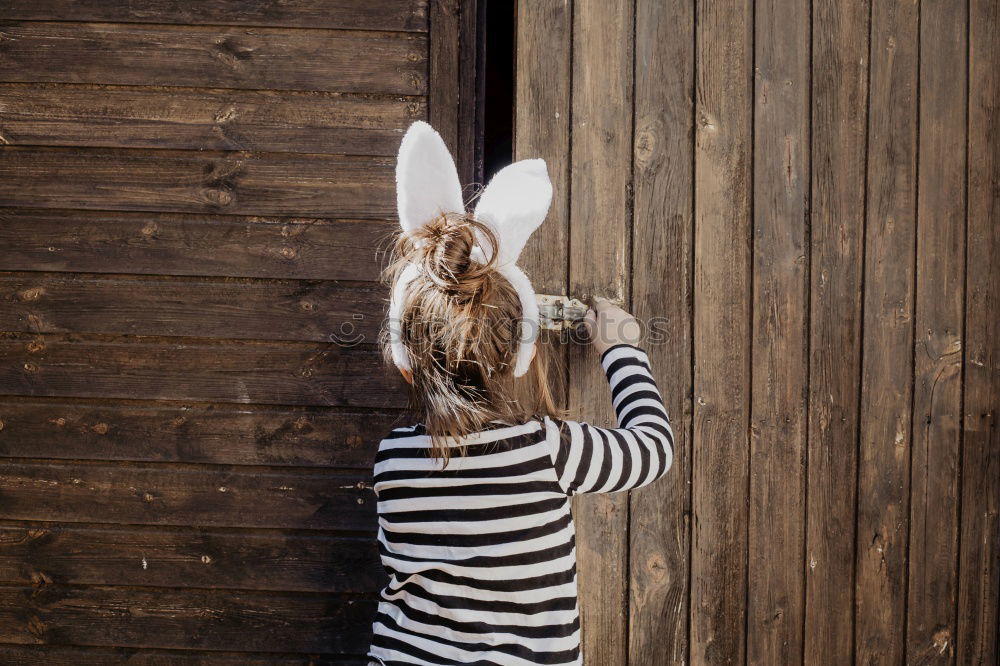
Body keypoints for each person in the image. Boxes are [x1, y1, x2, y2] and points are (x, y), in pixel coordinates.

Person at [365, 208, 675, 665]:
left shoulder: (394, 458)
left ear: (406, 363)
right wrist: (622, 350)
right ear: (521, 359)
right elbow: (654, 449)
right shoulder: (546, 451)